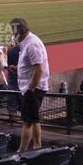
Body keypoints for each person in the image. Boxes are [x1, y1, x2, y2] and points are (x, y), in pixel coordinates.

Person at [11, 17, 50, 151]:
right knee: (34, 119)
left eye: (13, 31)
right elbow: (32, 66)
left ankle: (21, 151)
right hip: (33, 87)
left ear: (19, 31)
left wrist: (31, 88)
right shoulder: (27, 42)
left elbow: (39, 68)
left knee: (27, 122)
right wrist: (18, 69)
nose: (12, 35)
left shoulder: (32, 43)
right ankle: (37, 146)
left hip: (33, 89)